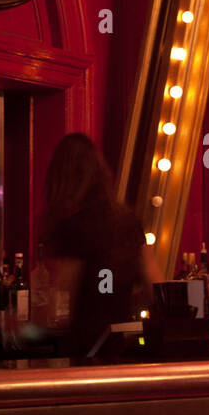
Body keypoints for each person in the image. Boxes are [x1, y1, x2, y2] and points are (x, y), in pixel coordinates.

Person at [37, 133, 164, 360]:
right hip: (124, 345)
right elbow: (156, 285)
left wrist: (27, 327)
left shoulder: (72, 226)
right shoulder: (129, 221)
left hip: (85, 348)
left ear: (61, 178)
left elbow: (63, 300)